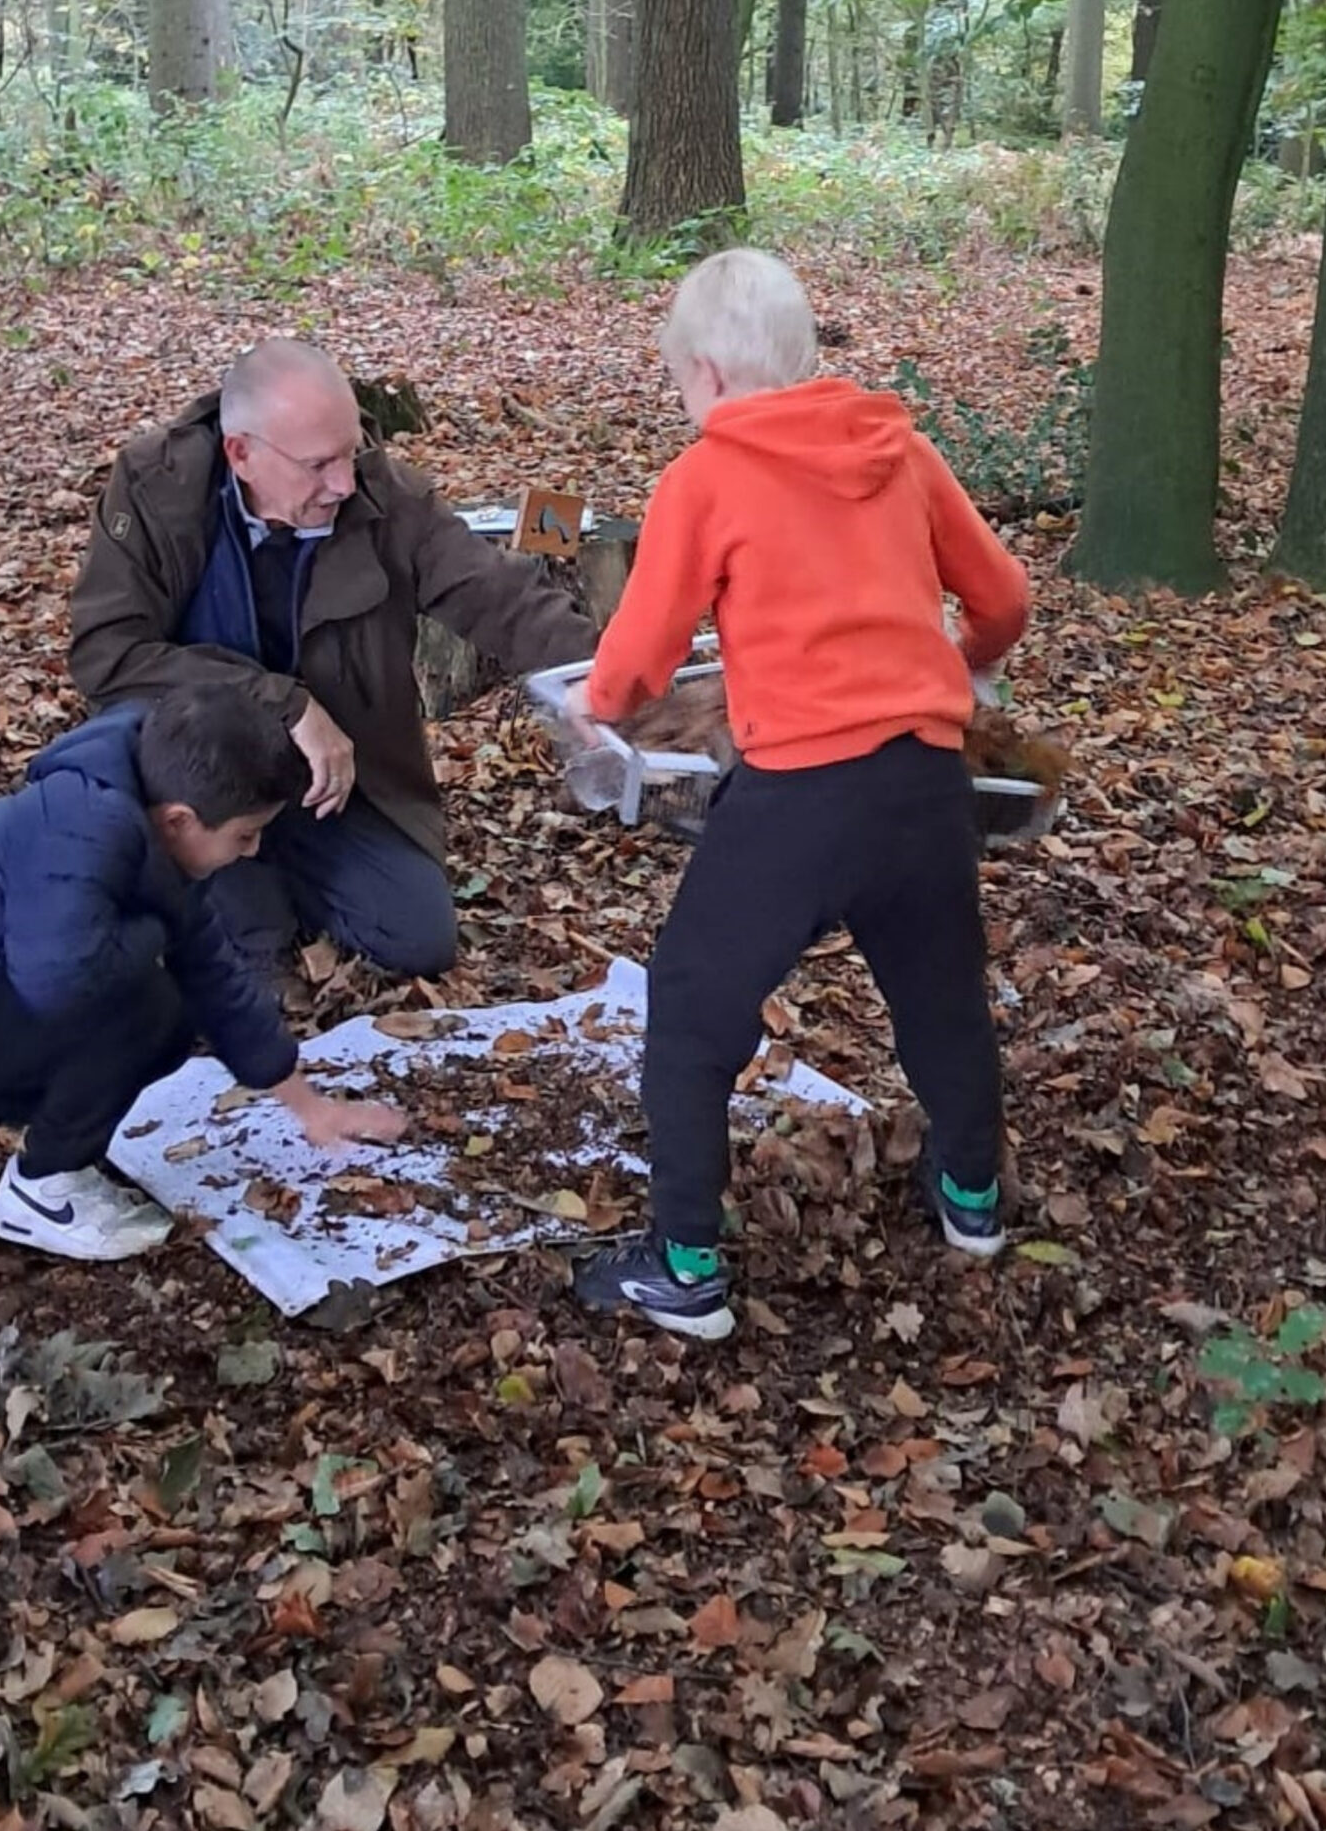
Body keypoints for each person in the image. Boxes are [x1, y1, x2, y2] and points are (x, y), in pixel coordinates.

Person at [562, 249, 1032, 1342]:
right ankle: (971, 1197)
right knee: (940, 997)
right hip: (921, 783)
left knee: (689, 1008)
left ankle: (683, 1266)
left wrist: (600, 702)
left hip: (798, 795)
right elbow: (1003, 593)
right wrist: (967, 662)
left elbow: (644, 645)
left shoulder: (707, 476)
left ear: (712, 377)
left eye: (681, 382)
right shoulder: (900, 451)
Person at [68, 339, 599, 980]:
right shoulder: (158, 490)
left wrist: (602, 672)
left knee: (417, 940)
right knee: (242, 952)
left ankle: (268, 864)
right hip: (196, 778)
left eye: (349, 453)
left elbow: (495, 594)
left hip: (337, 788)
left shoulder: (381, 495)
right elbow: (107, 655)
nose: (343, 483)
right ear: (243, 454)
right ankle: (234, 880)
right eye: (319, 465)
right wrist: (283, 702)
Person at [0, 684, 406, 1261]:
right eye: (244, 835)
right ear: (180, 819)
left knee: (168, 992)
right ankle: (44, 1190)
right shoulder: (85, 830)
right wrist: (157, 930)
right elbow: (58, 984)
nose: (252, 852)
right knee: (148, 1011)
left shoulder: (145, 801)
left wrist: (312, 1109)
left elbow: (211, 969)